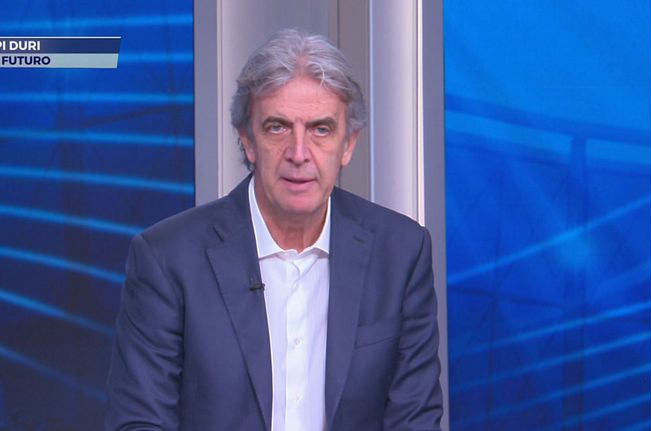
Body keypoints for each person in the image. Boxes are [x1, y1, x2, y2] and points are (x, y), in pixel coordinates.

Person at [105, 28, 443, 431]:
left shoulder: (401, 253)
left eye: (320, 129)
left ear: (349, 144)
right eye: (277, 127)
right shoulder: (167, 258)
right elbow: (140, 422)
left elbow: (415, 421)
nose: (299, 154)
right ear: (248, 141)